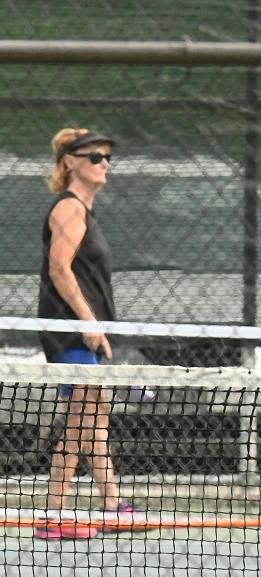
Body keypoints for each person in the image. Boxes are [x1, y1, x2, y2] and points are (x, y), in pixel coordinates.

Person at [35, 128, 138, 540]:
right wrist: (87, 322)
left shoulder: (84, 212)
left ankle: (113, 506)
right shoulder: (67, 210)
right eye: (93, 156)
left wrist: (98, 327)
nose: (104, 161)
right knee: (82, 422)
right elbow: (60, 269)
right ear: (69, 162)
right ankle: (53, 515)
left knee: (94, 421)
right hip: (69, 332)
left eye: (106, 155)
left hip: (85, 331)